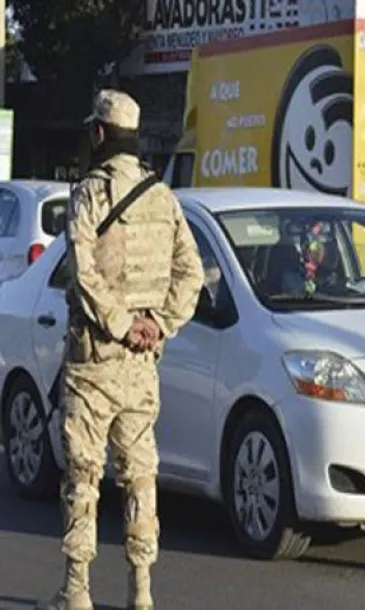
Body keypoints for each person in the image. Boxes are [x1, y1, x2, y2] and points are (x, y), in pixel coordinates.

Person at [38, 90, 205, 610]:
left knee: (83, 477)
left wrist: (120, 323)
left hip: (94, 364)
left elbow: (83, 272)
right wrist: (158, 325)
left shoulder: (89, 194)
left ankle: (78, 593)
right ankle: (142, 592)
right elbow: (192, 274)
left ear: (98, 135)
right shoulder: (164, 197)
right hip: (140, 369)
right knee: (140, 476)